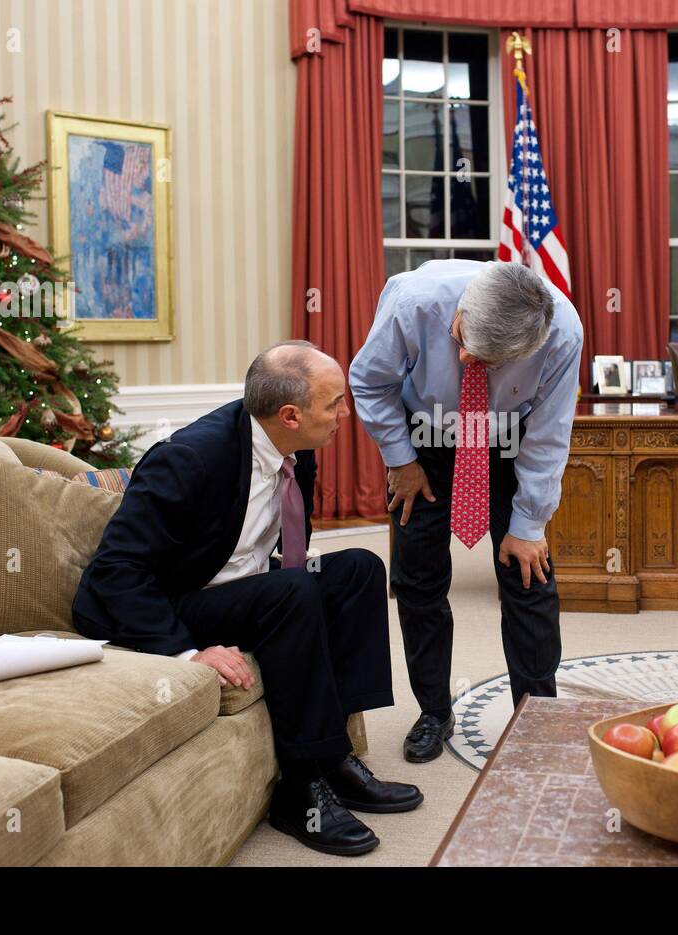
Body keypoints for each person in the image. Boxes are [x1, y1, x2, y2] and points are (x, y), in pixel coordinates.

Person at [72, 341, 421, 857]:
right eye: (335, 404)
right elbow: (114, 573)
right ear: (290, 415)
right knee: (292, 589)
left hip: (245, 588)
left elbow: (277, 543)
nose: (346, 414)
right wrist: (186, 651)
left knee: (358, 569)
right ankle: (300, 789)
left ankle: (335, 759)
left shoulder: (290, 449)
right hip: (178, 603)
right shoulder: (190, 459)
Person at [349, 259, 583, 763]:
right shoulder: (412, 302)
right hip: (423, 439)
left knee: (528, 573)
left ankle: (536, 714)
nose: (462, 356)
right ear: (460, 311)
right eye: (461, 339)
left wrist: (528, 524)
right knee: (417, 579)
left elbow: (548, 434)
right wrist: (401, 460)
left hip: (505, 437)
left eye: (483, 359)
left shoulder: (562, 329)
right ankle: (434, 710)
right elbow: (369, 382)